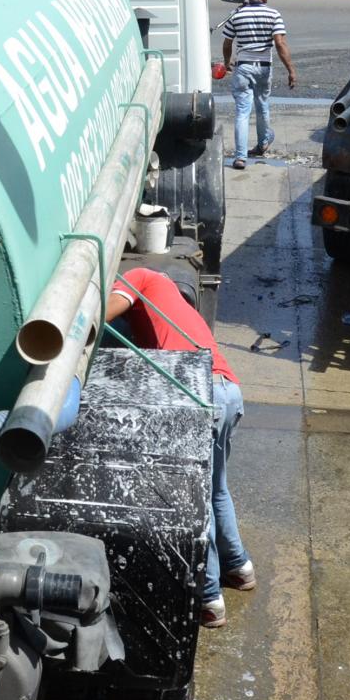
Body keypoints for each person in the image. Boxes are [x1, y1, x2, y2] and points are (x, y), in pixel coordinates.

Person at [104, 267, 254, 628]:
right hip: (228, 389)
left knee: (195, 499)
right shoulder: (172, 305)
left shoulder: (137, 276)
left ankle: (209, 599)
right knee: (216, 488)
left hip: (199, 393)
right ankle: (239, 567)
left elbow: (97, 317)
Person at [218, 0, 297, 170]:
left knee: (242, 112)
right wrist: (291, 70)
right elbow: (280, 44)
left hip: (243, 67)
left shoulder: (237, 15)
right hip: (263, 67)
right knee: (262, 106)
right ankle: (262, 143)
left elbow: (228, 43)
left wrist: (228, 63)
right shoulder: (273, 15)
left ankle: (240, 157)